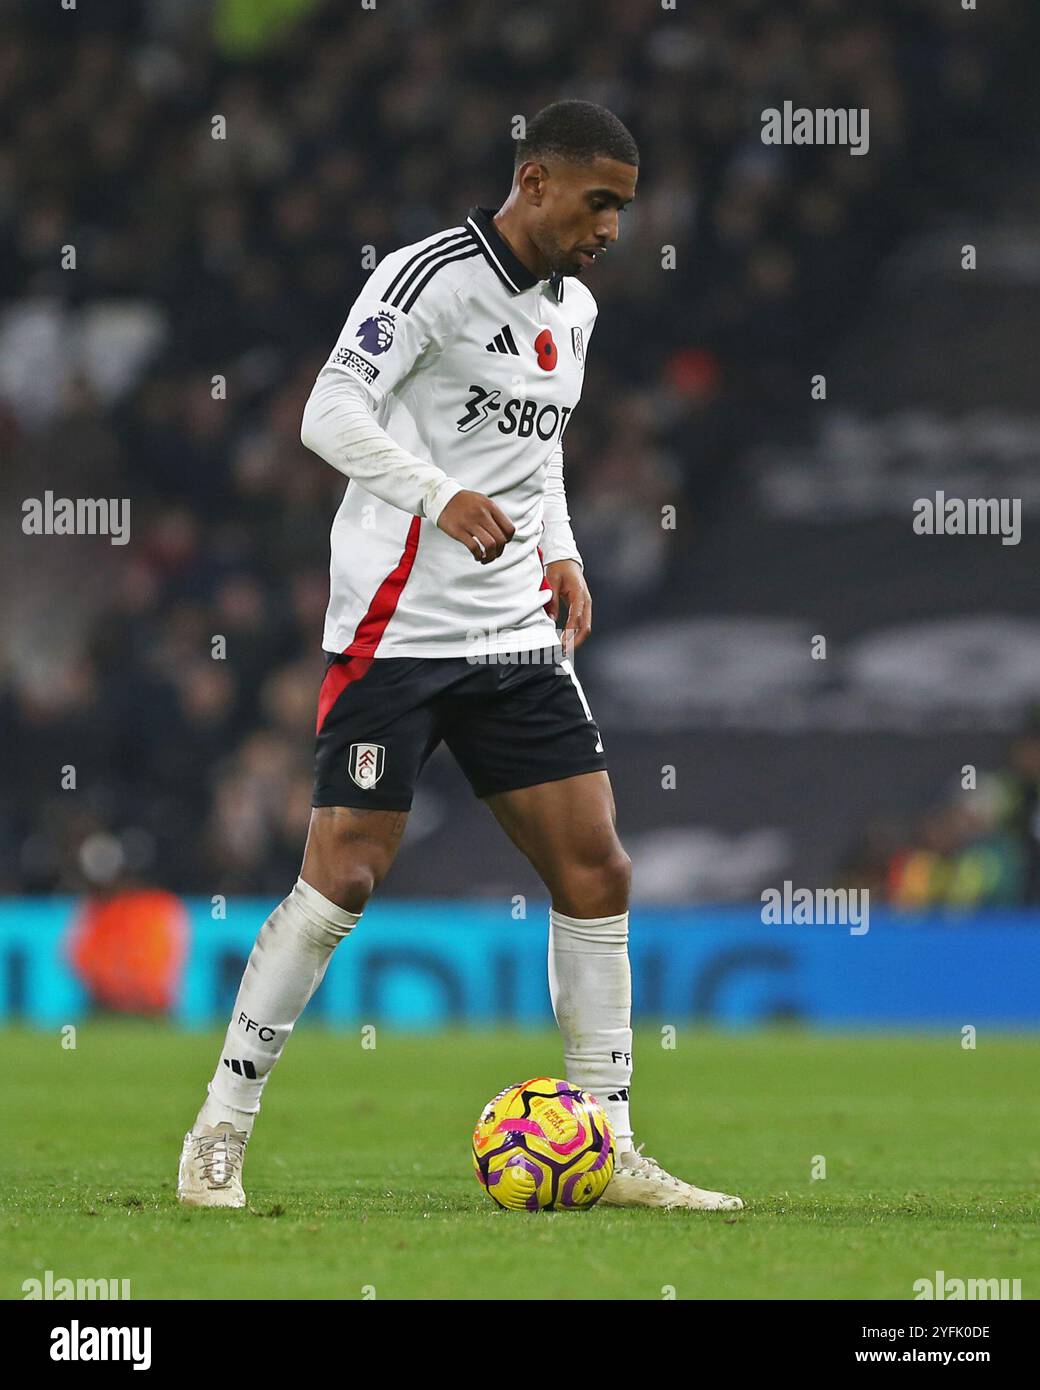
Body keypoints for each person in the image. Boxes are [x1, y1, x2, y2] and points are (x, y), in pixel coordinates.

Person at [178, 99, 742, 1212]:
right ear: (534, 181)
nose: (611, 230)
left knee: (596, 869)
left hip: (517, 633)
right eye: (597, 203)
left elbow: (538, 454)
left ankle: (606, 1137)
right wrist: (439, 495)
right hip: (396, 633)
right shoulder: (425, 275)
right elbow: (326, 413)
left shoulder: (572, 309)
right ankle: (219, 1131)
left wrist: (564, 550)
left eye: (623, 210)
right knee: (341, 879)